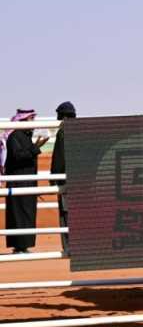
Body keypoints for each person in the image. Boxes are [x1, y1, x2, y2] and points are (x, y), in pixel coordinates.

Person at [4, 109, 49, 253]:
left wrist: (35, 146)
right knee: (19, 214)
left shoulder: (24, 136)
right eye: (31, 119)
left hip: (28, 182)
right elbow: (18, 157)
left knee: (27, 214)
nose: (33, 123)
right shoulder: (15, 136)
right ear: (23, 121)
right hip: (18, 183)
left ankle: (24, 246)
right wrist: (37, 147)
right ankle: (19, 246)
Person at [50, 101, 76, 256]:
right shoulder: (82, 130)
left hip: (67, 181)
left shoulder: (63, 131)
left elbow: (59, 158)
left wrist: (54, 178)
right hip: (82, 180)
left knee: (66, 214)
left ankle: (70, 248)